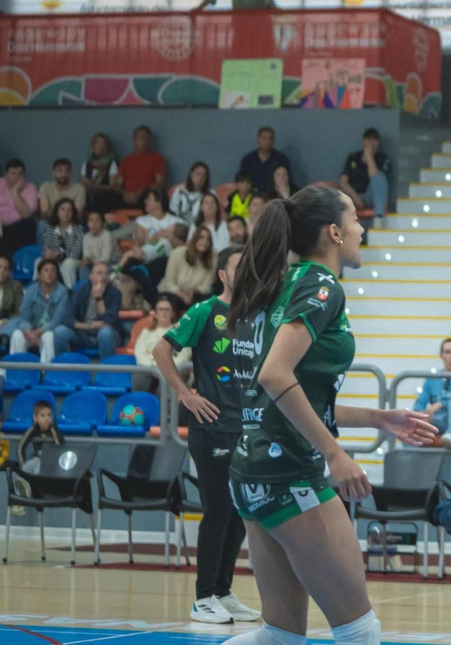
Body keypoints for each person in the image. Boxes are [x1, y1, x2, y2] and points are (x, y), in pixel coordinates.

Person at [225, 184, 437, 645]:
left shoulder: (280, 282)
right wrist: (336, 455)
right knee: (359, 632)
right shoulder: (320, 286)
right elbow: (275, 376)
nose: (363, 228)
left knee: (280, 637)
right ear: (335, 233)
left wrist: (378, 418)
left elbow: (285, 393)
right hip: (290, 472)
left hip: (252, 469)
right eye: (356, 219)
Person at [154, 245, 260, 625]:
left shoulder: (253, 317)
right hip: (212, 428)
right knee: (217, 510)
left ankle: (222, 591)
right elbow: (161, 349)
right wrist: (185, 394)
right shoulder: (204, 312)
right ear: (223, 275)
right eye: (238, 266)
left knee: (239, 514)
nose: (247, 271)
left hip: (245, 429)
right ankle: (202, 598)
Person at [413, 339, 451, 450]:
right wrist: (421, 414)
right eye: (448, 352)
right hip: (438, 419)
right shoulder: (432, 379)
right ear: (441, 355)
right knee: (410, 428)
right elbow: (420, 402)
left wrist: (441, 403)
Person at [58, 260, 121, 358]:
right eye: (99, 273)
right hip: (83, 333)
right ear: (91, 276)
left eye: (106, 273)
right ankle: (65, 369)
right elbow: (67, 317)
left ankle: (107, 371)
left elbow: (110, 320)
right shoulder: (80, 291)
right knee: (60, 332)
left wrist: (99, 299)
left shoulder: (115, 293)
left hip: (106, 334)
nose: (103, 276)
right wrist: (88, 326)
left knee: (105, 332)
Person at [12, 258, 70, 361]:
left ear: (57, 275)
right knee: (17, 335)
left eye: (53, 271)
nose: (49, 273)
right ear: (39, 274)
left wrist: (39, 332)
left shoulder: (63, 292)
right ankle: (18, 372)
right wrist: (28, 330)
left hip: (47, 330)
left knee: (49, 336)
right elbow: (24, 315)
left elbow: (58, 319)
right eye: (46, 270)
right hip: (31, 331)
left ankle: (46, 372)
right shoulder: (31, 290)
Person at [339, 128, 391, 229]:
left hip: (371, 197)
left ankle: (378, 219)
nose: (371, 143)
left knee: (380, 177)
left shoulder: (383, 159)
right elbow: (343, 182)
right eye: (368, 139)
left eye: (374, 140)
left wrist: (369, 156)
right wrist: (355, 197)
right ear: (363, 141)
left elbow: (377, 180)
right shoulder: (353, 157)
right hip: (353, 195)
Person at [0, 158, 40, 252]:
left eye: (20, 174)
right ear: (5, 175)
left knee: (28, 223)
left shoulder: (30, 188)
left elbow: (26, 214)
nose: (17, 177)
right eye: (13, 173)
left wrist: (15, 192)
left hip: (18, 227)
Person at [162, 225, 219, 304]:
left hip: (195, 294)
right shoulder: (177, 253)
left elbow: (206, 286)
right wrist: (182, 295)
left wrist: (194, 290)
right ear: (194, 239)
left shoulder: (212, 258)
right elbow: (169, 282)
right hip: (172, 292)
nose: (205, 241)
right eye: (201, 238)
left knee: (207, 299)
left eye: (208, 239)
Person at [118, 125, 168, 207]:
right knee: (103, 197)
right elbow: (118, 183)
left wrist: (138, 194)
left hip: (145, 196)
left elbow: (160, 182)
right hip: (126, 196)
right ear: (134, 140)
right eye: (139, 137)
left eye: (145, 137)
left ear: (149, 140)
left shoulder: (157, 158)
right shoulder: (126, 160)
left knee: (153, 196)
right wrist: (125, 194)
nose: (142, 140)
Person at [41, 197, 85, 287]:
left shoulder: (78, 229)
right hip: (54, 260)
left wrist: (59, 254)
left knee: (67, 264)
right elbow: (46, 248)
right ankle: (38, 292)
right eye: (63, 210)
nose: (66, 213)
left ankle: (70, 293)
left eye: (69, 210)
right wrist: (47, 254)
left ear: (73, 213)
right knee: (38, 262)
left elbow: (76, 253)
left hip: (73, 261)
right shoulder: (50, 229)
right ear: (57, 212)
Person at [37, 157, 87, 228]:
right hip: (51, 221)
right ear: (53, 173)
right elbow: (45, 212)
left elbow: (77, 214)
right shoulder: (45, 187)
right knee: (42, 224)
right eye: (60, 171)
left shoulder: (79, 188)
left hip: (72, 223)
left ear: (70, 174)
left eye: (67, 171)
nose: (63, 174)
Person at [240, 127, 291, 192]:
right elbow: (242, 182)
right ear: (258, 140)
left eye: (271, 139)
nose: (268, 141)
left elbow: (288, 183)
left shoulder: (281, 159)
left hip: (274, 197)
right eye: (264, 138)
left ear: (274, 141)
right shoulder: (248, 160)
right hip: (252, 197)